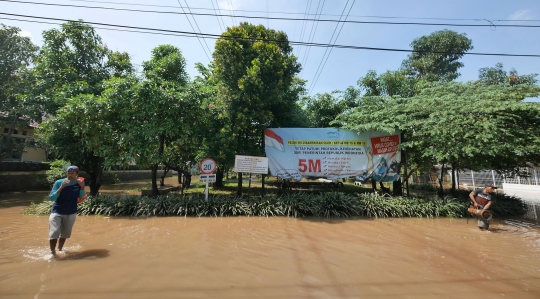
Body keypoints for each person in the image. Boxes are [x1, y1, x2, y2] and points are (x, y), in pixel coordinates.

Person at [48, 165, 85, 254]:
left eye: (72, 173)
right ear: (66, 173)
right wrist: (61, 187)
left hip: (71, 212)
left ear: (76, 174)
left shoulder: (79, 183)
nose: (70, 175)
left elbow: (81, 197)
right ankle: (52, 252)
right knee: (54, 233)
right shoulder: (59, 182)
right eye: (68, 173)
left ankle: (60, 249)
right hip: (57, 211)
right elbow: (51, 198)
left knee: (65, 234)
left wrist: (82, 188)